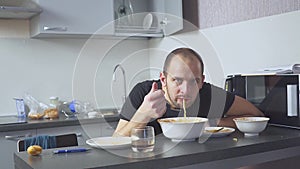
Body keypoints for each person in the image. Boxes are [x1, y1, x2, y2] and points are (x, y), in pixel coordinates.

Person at [113, 48, 264, 136]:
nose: (186, 91)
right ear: (163, 79)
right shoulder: (144, 92)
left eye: (194, 81)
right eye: (177, 80)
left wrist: (212, 123)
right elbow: (117, 140)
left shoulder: (209, 94)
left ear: (201, 81)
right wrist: (143, 114)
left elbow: (256, 115)